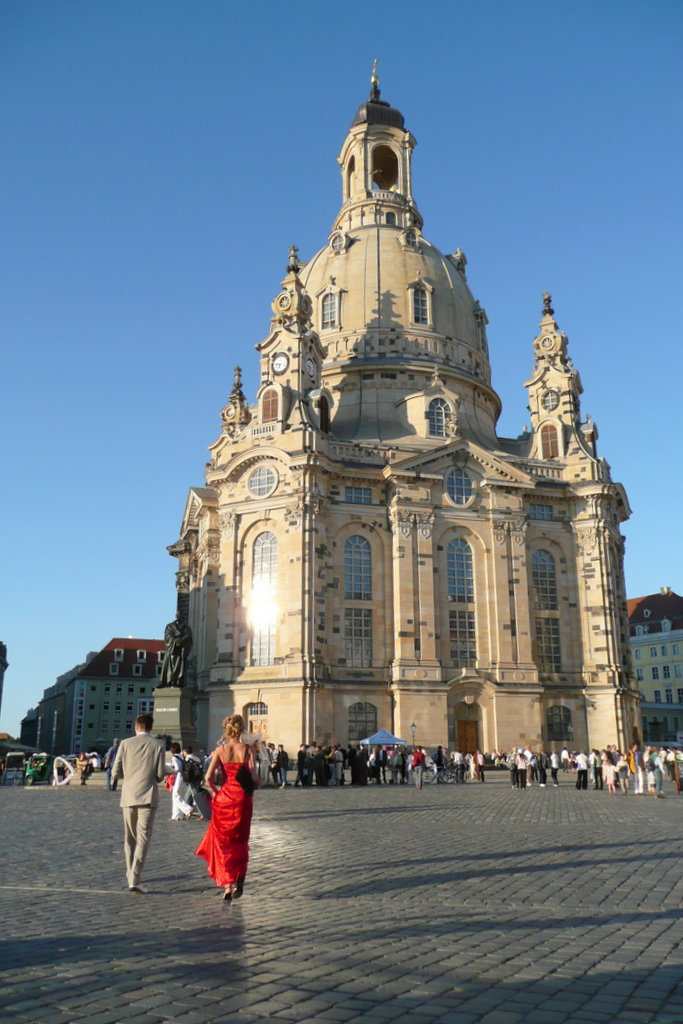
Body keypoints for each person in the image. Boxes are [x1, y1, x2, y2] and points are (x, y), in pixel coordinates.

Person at [195, 714, 257, 901]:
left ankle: (227, 886)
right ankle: (240, 876)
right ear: (241, 729)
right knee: (240, 840)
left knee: (224, 843)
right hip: (242, 799)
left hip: (224, 799)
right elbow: (254, 777)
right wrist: (255, 783)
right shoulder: (247, 749)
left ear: (227, 731)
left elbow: (207, 778)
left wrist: (216, 792)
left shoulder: (220, 751)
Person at [112, 713, 166, 894]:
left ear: (136, 726)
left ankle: (130, 874)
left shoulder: (125, 744)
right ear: (151, 727)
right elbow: (159, 774)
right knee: (143, 838)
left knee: (129, 837)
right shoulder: (158, 745)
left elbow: (115, 771)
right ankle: (135, 877)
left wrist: (128, 778)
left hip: (128, 796)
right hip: (148, 797)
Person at [168, 742, 195, 821]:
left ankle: (188, 809)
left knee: (176, 795)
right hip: (184, 777)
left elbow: (177, 769)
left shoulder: (174, 757)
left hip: (179, 776)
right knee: (176, 795)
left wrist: (169, 769)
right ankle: (176, 816)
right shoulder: (181, 756)